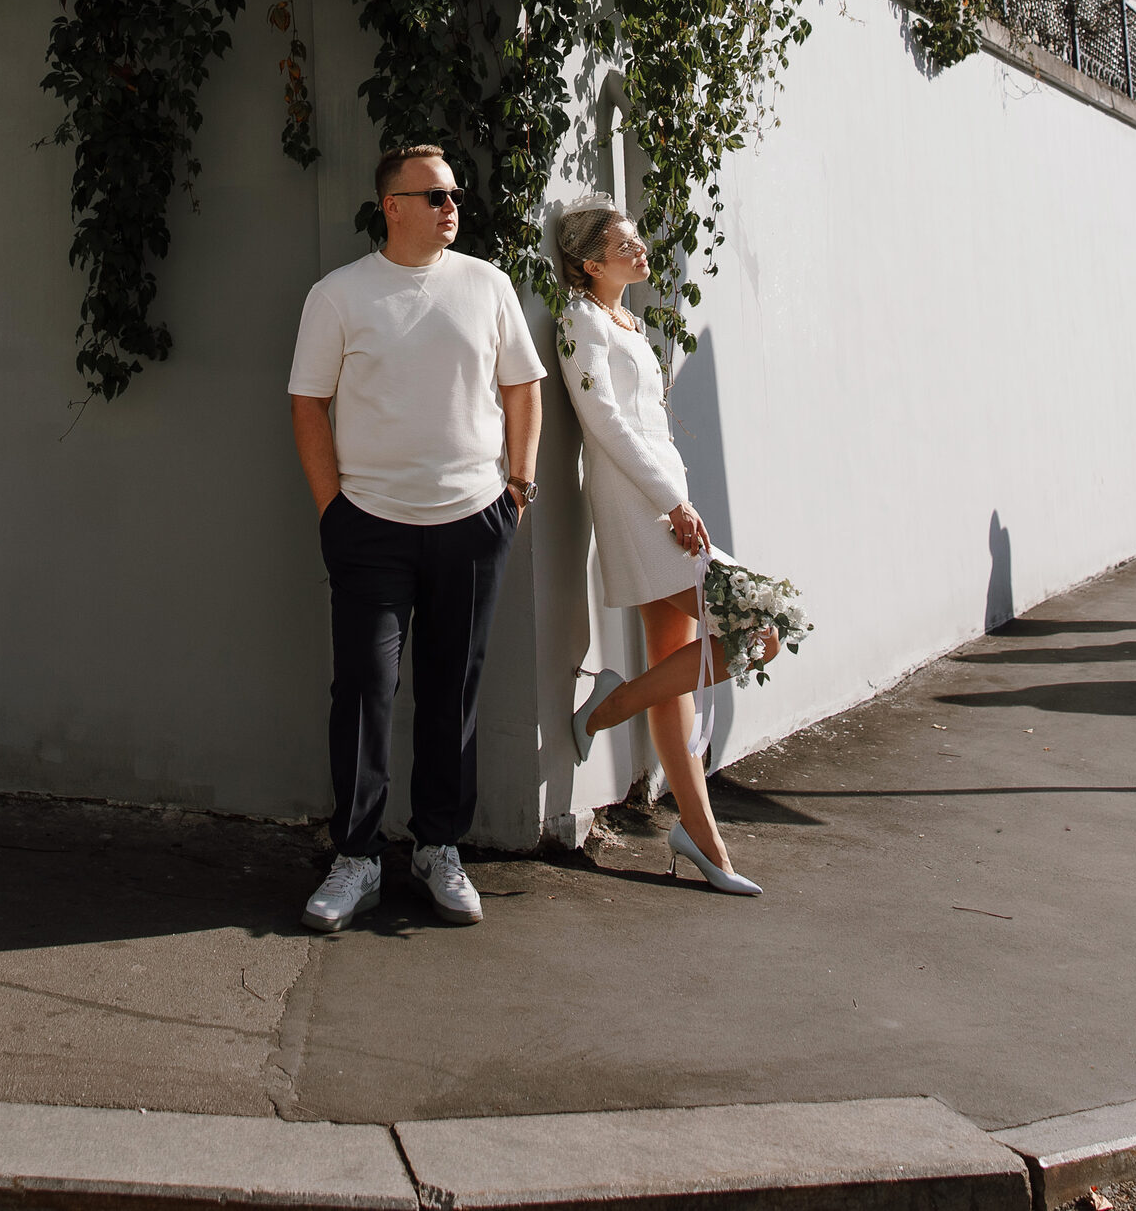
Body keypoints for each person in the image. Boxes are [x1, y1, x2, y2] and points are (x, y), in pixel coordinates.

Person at [288, 144, 544, 931]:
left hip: (473, 521)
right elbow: (308, 404)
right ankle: (357, 855)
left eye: (454, 194)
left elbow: (522, 386)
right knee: (364, 690)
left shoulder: (488, 285)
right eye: (434, 195)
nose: (450, 206)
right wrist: (333, 511)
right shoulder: (339, 295)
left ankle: (439, 846)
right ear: (391, 206)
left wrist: (518, 490)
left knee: (451, 690)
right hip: (370, 527)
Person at [555, 197, 777, 898]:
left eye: (636, 239)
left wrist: (679, 496)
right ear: (591, 263)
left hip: (667, 500)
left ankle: (702, 837)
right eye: (623, 244)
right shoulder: (579, 320)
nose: (639, 248)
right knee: (759, 631)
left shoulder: (627, 320)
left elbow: (648, 422)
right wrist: (670, 502)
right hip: (640, 507)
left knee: (679, 666)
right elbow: (605, 421)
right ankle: (607, 709)